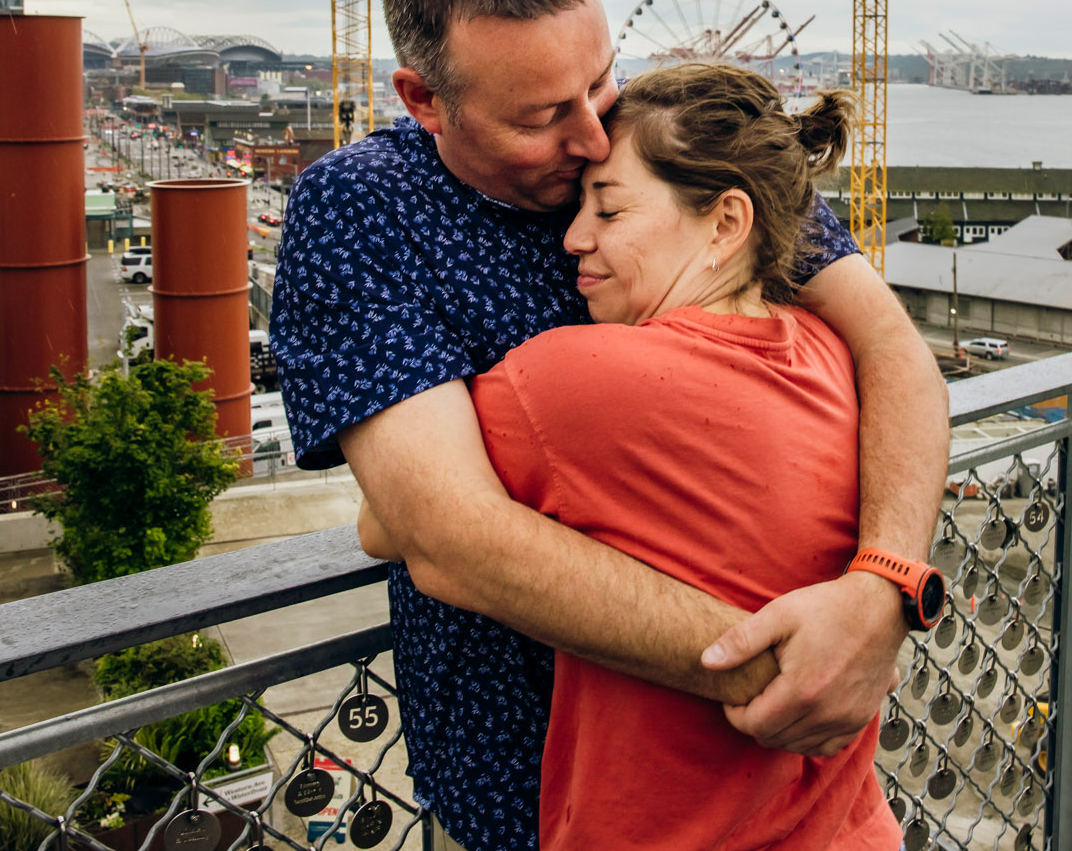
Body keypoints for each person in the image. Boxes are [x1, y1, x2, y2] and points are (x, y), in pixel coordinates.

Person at [270, 0, 949, 851]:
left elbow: (892, 349)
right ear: (425, 99)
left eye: (600, 81)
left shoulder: (661, 140)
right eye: (544, 116)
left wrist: (883, 589)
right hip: (534, 789)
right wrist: (787, 670)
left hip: (788, 783)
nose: (593, 136)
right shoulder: (366, 209)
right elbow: (443, 534)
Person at [363, 62, 902, 848]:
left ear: (725, 223)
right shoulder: (829, 351)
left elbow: (394, 524)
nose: (573, 238)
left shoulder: (577, 377)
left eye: (608, 209)